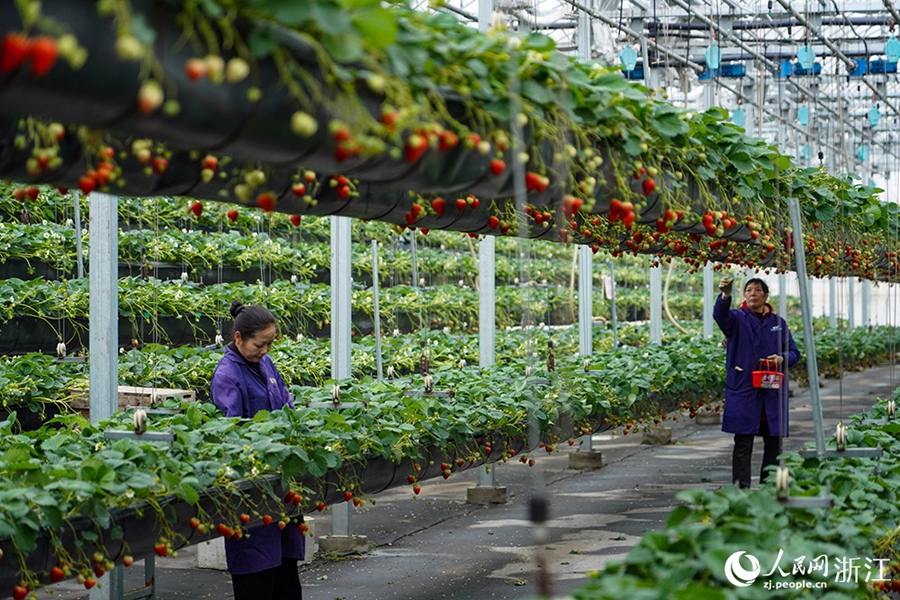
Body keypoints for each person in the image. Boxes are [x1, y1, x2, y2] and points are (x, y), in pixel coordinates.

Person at [210, 300, 304, 600]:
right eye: (259, 344)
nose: (264, 350)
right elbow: (231, 431)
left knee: (286, 575)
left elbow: (285, 402)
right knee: (256, 574)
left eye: (270, 344)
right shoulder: (227, 375)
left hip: (279, 481)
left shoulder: (265, 363)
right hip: (252, 486)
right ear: (238, 339)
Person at [713, 276, 800, 489]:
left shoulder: (778, 324)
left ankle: (769, 489)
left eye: (758, 290)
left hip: (771, 393)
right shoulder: (736, 319)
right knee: (743, 444)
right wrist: (725, 295)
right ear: (744, 295)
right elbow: (720, 315)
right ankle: (740, 490)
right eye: (749, 290)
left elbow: (794, 353)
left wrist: (782, 359)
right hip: (745, 390)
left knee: (774, 445)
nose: (753, 293)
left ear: (766, 296)